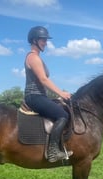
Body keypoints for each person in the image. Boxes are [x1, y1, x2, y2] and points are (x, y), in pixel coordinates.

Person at [24, 26, 73, 163]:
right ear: (34, 40)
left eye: (46, 40)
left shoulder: (37, 58)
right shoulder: (33, 57)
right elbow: (43, 79)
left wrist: (56, 97)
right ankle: (53, 152)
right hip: (34, 96)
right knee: (63, 115)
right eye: (43, 39)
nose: (46, 42)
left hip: (40, 95)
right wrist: (61, 93)